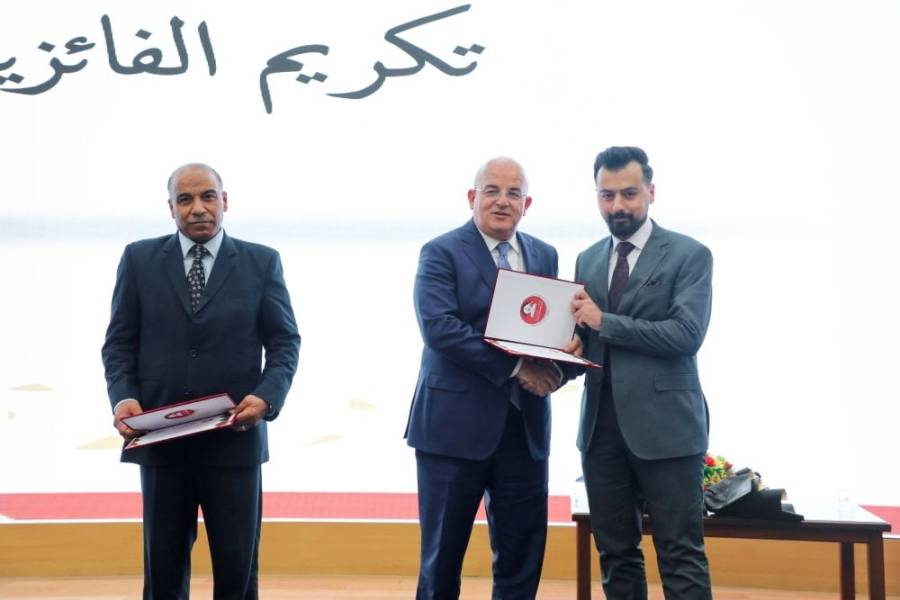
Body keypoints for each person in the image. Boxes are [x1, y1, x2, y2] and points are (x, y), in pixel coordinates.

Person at [101, 163, 301, 599]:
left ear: (224, 201)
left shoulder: (261, 261)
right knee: (163, 569)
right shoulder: (138, 260)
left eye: (208, 196)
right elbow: (119, 344)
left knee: (237, 569)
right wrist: (123, 398)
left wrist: (266, 398)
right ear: (170, 207)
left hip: (235, 439)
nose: (198, 208)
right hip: (161, 439)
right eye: (185, 199)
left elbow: (285, 343)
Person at [406, 157, 572, 599]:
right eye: (492, 190)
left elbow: (547, 330)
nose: (502, 201)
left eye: (514, 193)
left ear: (527, 204)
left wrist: (564, 364)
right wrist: (518, 368)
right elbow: (440, 329)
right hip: (452, 431)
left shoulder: (544, 254)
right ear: (472, 197)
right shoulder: (440, 252)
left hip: (524, 429)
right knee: (441, 560)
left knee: (522, 559)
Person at [570, 146, 713, 599]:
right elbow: (586, 338)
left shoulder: (689, 255)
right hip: (601, 432)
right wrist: (557, 357)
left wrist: (604, 322)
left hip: (668, 431)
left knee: (680, 555)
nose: (618, 205)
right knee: (615, 556)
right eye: (607, 195)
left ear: (651, 192)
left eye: (629, 194)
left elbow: (686, 335)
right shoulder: (587, 259)